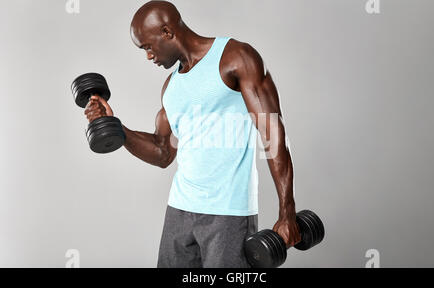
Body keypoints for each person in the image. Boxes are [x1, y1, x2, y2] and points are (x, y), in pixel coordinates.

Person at [84, 0, 301, 268]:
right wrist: (116, 127)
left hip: (228, 214)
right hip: (179, 211)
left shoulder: (235, 57)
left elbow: (272, 131)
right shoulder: (171, 88)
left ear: (167, 32)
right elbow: (163, 152)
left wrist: (287, 211)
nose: (149, 56)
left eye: (148, 47)